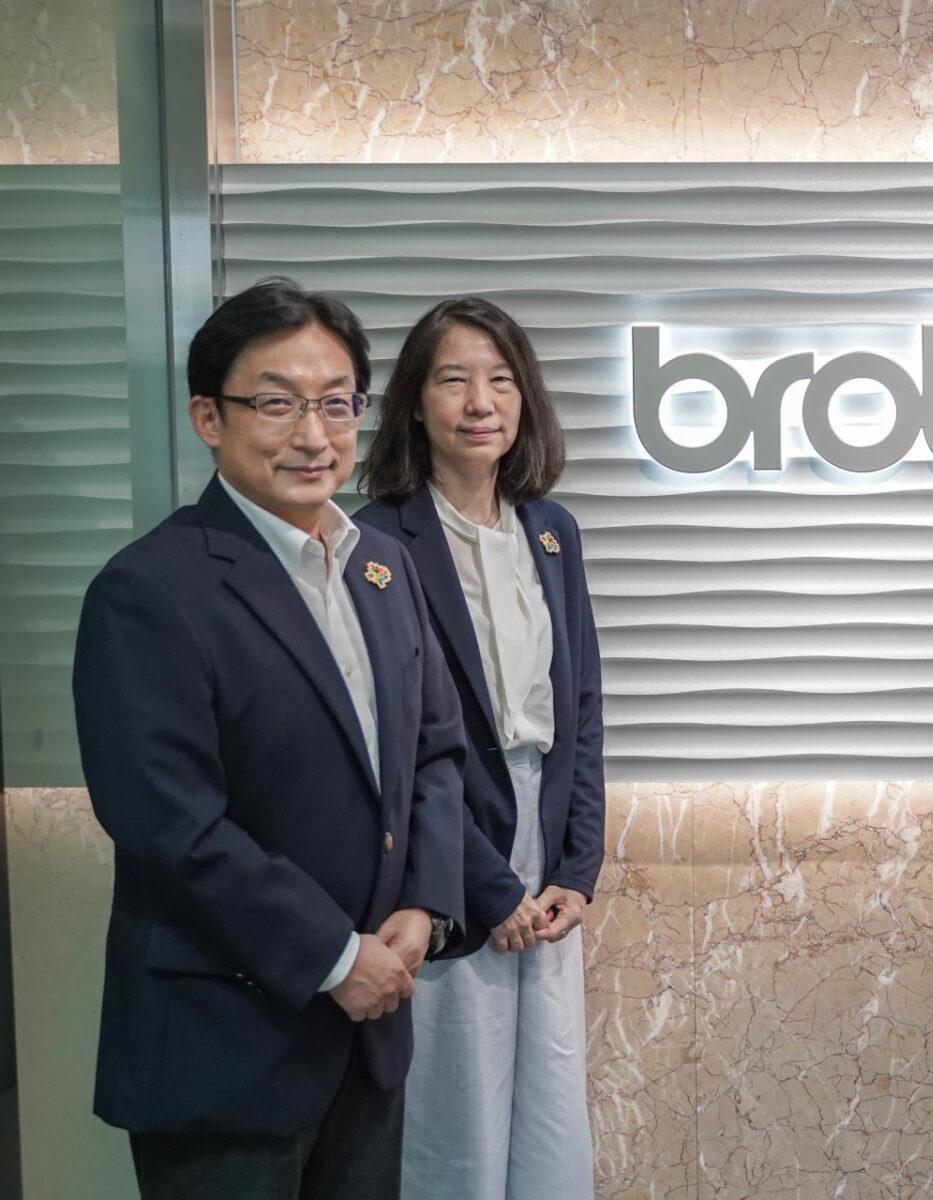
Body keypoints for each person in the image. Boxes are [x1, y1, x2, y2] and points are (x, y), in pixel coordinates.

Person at [72, 277, 466, 1199]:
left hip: (367, 1041)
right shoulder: (150, 590)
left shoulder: (382, 565)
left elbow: (435, 753)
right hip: (223, 1049)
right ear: (209, 418)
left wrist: (427, 904)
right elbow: (170, 823)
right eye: (277, 403)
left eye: (336, 403)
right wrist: (334, 955)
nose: (313, 435)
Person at [355, 296, 604, 1199]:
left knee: (549, 1102)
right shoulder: (377, 540)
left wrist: (577, 867)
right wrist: (488, 888)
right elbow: (396, 748)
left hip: (545, 841)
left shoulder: (551, 530)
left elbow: (581, 708)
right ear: (415, 404)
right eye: (453, 380)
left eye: (500, 379)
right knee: (457, 1109)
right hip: (446, 844)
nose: (480, 402)